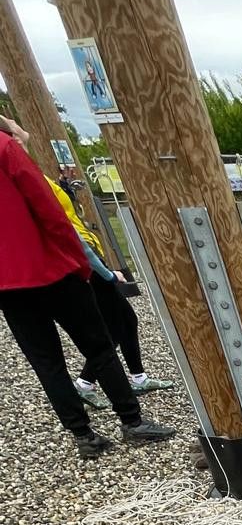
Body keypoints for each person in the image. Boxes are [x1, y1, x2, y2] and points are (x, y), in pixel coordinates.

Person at [0, 124, 176, 460]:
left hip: (8, 284)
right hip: (50, 268)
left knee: (47, 362)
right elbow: (50, 212)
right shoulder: (6, 148)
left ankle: (82, 434)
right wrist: (81, 264)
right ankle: (131, 420)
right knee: (99, 346)